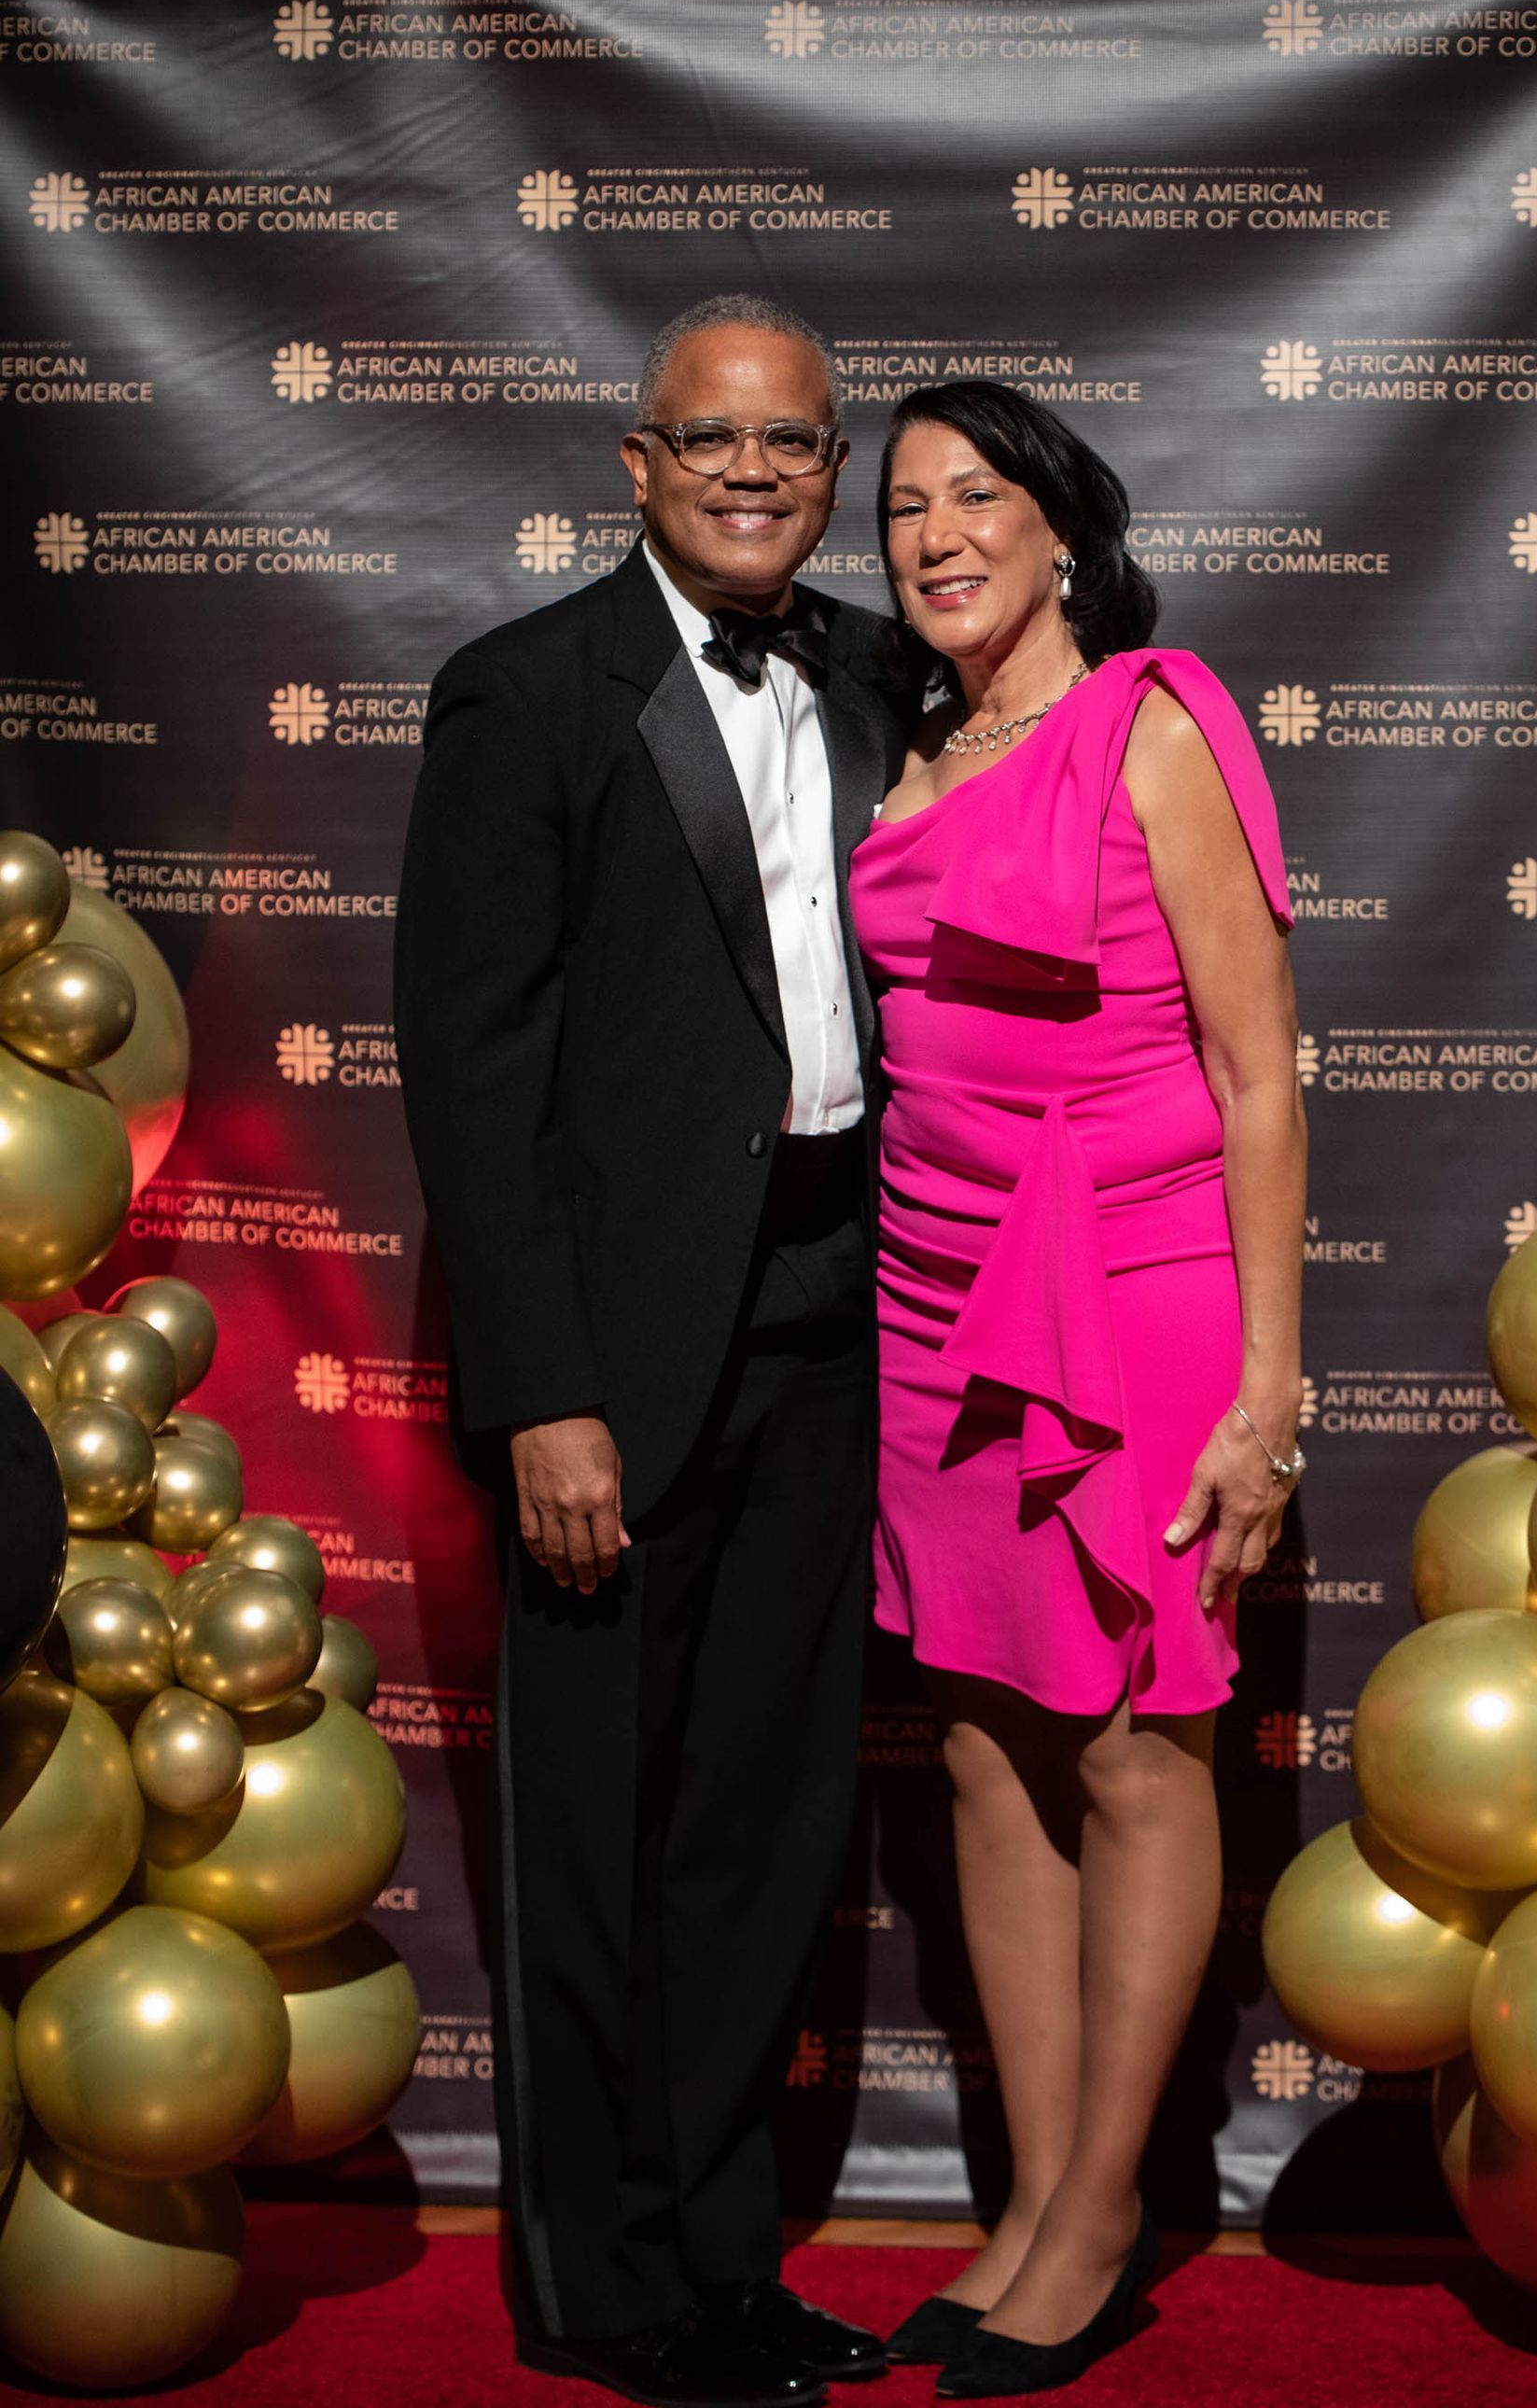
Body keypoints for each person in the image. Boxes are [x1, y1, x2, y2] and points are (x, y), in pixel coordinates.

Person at [395, 295, 907, 2408]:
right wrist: (546, 1394)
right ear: (639, 462)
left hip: (839, 1316)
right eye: (714, 438)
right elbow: (473, 1073)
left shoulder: (881, 673)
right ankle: (601, 2292)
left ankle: (722, 2258)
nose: (756, 472)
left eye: (794, 441)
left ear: (834, 467)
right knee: (597, 1838)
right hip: (615, 1360)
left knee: (761, 1837)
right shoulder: (527, 693)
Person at [848, 382, 1306, 2399]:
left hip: (1135, 1295)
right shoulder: (910, 747)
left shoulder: (1154, 725)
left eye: (978, 497)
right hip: (932, 1290)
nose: (937, 535)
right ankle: (1033, 2203)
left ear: (1062, 530)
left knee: (1133, 1751)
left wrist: (1267, 1392)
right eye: (904, 510)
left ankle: (1108, 2215)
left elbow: (1257, 1073)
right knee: (978, 1744)